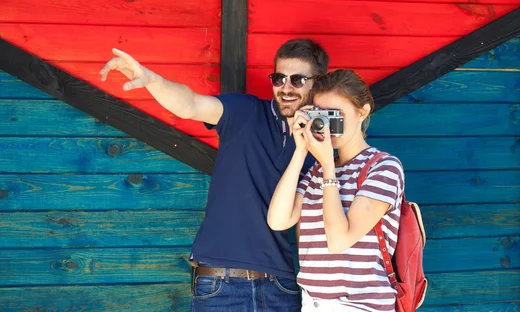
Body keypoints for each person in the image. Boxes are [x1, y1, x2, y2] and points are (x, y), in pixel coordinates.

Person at [100, 38, 329, 311]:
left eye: (298, 80)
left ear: (318, 82)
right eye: (279, 78)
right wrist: (151, 79)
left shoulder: (323, 139)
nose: (286, 88)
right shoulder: (245, 111)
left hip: (281, 284)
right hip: (221, 283)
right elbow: (190, 104)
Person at [267, 69, 405, 312]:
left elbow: (339, 240)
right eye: (322, 115)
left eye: (336, 115)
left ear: (362, 112)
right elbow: (278, 221)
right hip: (312, 303)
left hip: (361, 306)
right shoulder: (315, 172)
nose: (328, 125)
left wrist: (328, 167)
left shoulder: (383, 167)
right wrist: (300, 150)